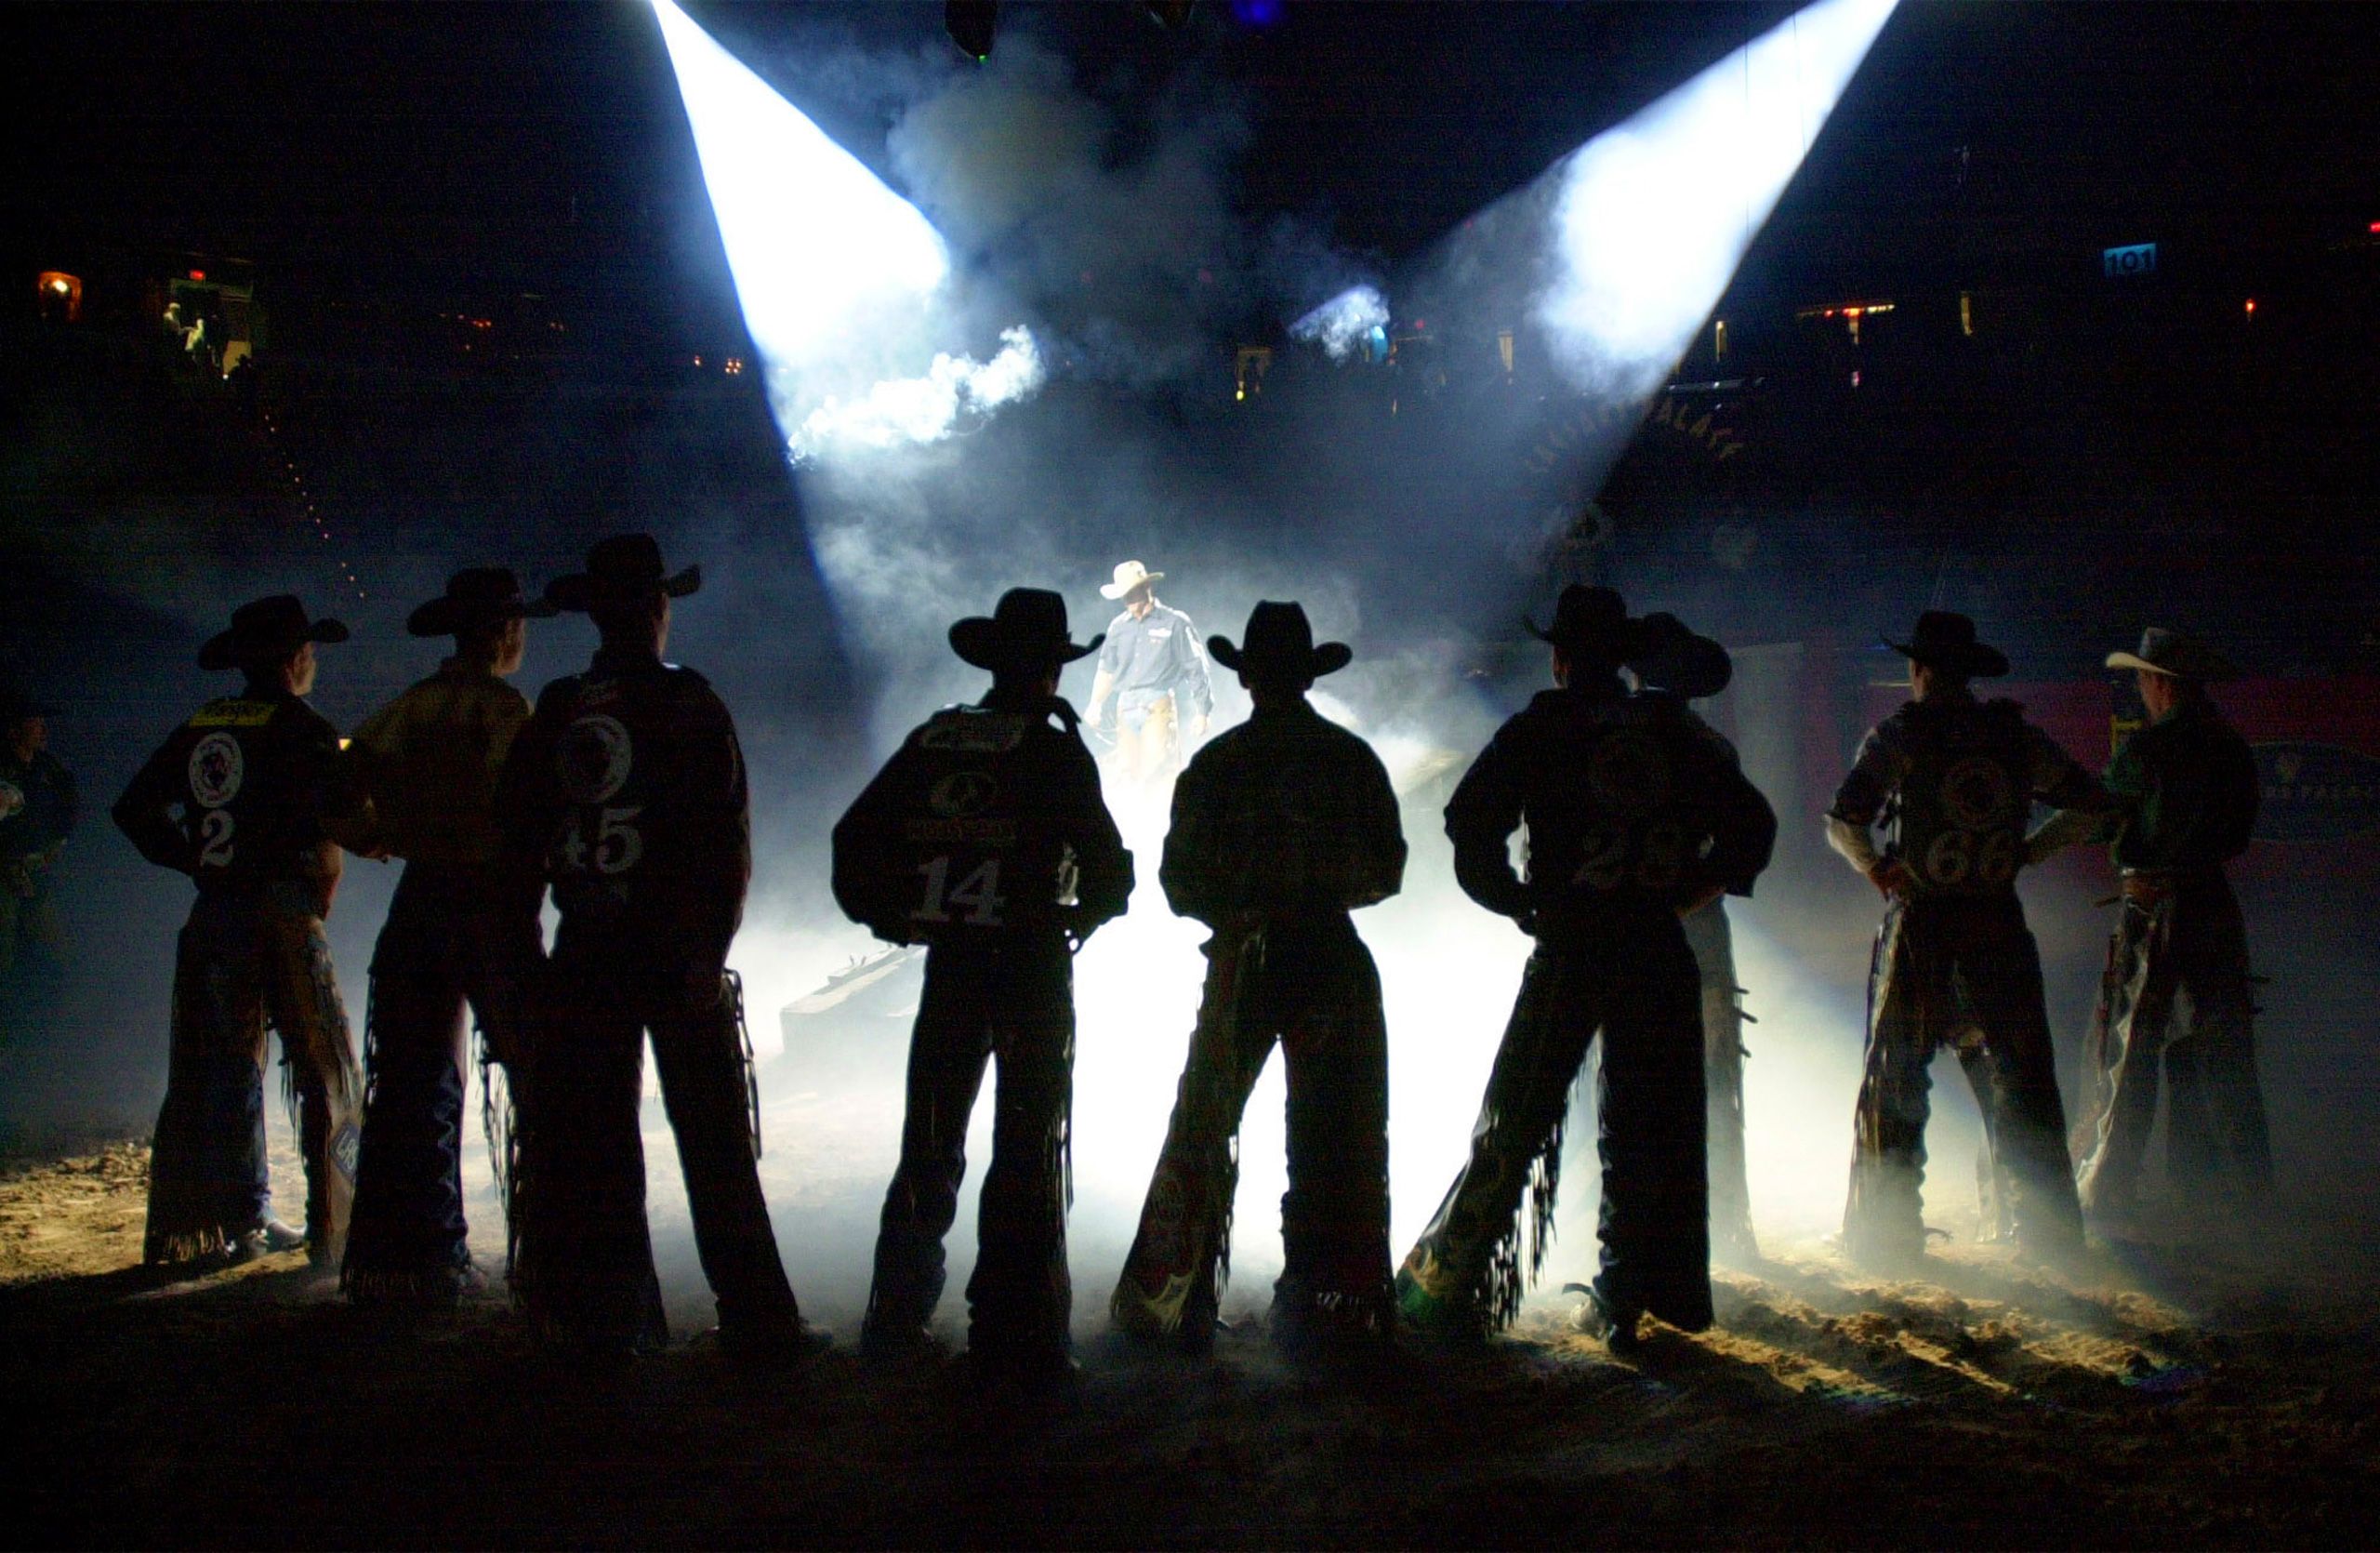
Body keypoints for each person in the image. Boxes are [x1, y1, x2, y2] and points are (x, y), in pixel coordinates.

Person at [1396, 587, 1775, 1350]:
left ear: (1563, 658)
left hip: (1573, 947)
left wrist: (1517, 902)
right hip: (1655, 951)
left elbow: (1469, 825)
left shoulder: (1542, 728)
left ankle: (1451, 1290)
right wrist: (1683, 897)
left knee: (1515, 1120)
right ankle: (1629, 1297)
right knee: (1651, 1128)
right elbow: (1752, 827)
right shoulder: (1672, 728)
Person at [496, 536, 817, 1360]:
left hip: (586, 949)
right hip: (672, 950)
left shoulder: (559, 706)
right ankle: (758, 1320)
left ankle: (612, 1322)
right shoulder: (688, 702)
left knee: (596, 1143)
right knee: (714, 1141)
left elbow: (516, 842)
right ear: (657, 611)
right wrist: (708, 949)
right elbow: (723, 839)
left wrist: (532, 958)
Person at [833, 588, 1132, 1389]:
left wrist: (894, 918)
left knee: (930, 1138)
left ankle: (892, 1319)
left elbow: (853, 840)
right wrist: (1087, 915)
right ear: (1051, 669)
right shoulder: (1054, 749)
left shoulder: (937, 738)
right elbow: (1112, 871)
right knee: (1027, 1145)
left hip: (952, 966)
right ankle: (1015, 1334)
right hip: (1031, 967)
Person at [1111, 602, 1407, 1355]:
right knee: (1336, 1137)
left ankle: (1175, 1300)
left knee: (1205, 1125)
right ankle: (1325, 1305)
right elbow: (1387, 871)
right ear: (1308, 676)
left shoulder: (1217, 765)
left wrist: (1239, 910)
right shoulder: (1347, 756)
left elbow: (1178, 882)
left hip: (1244, 961)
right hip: (1329, 958)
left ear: (1245, 679)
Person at [1823, 611, 2109, 1268]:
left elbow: (1845, 819)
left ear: (1919, 671)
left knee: (1898, 1072)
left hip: (1922, 920)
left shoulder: (1900, 735)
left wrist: (1876, 867)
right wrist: (2026, 853)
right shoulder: (2013, 738)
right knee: (2022, 1073)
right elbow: (2093, 803)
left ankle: (1887, 1235)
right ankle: (2047, 1233)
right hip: (1995, 917)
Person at [113, 595, 371, 1265]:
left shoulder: (203, 726)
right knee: (324, 1065)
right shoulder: (301, 726)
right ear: (295, 660)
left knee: (221, 1067)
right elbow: (344, 809)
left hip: (216, 914)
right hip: (282, 915)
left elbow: (134, 809)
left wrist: (191, 858)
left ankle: (234, 1223)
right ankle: (332, 1226)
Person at [339, 569, 554, 1304]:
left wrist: (379, 837)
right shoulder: (504, 709)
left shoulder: (413, 704)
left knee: (413, 1077)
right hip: (489, 899)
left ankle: (416, 1261)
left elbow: (336, 787)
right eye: (516, 626)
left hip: (421, 896)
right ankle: (553, 1253)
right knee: (535, 1071)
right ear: (500, 634)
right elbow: (524, 806)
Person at [2030, 628, 2268, 1220]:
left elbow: (2093, 814)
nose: (2139, 690)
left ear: (2161, 683)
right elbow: (2237, 835)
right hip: (2212, 904)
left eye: (2141, 678)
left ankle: (2109, 1192)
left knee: (2126, 1047)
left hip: (2155, 907)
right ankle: (2237, 1198)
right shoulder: (2232, 747)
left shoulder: (2147, 752)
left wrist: (2023, 854)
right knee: (2221, 1049)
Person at [1625, 614, 1761, 1266]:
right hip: (1695, 928)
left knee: (1613, 1075)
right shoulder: (1706, 746)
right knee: (1710, 1081)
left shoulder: (1601, 735)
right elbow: (1748, 839)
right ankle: (1722, 1229)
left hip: (1613, 931)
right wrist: (1686, 900)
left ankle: (1617, 1235)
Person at [1084, 560, 1213, 790]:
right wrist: (1095, 704)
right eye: (1125, 597)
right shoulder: (1118, 627)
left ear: (1146, 588)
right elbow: (1106, 669)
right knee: (1127, 773)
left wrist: (1202, 711)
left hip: (1158, 703)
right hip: (1125, 705)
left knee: (1159, 770)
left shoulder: (1174, 622)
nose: (1129, 602)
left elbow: (1195, 667)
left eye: (1132, 594)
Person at [0, 688, 76, 1013]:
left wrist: (56, 844)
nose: (43, 729)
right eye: (35, 722)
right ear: (14, 729)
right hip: (4, 875)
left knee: (58, 950)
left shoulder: (48, 769)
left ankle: (49, 1020)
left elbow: (70, 806)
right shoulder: (3, 768)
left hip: (35, 871)